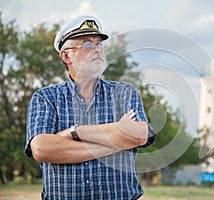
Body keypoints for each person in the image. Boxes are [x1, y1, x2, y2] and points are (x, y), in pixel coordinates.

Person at [25, 15, 156, 200]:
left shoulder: (124, 92)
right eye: (87, 44)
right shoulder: (45, 98)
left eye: (99, 44)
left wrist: (73, 132)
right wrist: (117, 138)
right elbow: (41, 149)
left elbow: (139, 135)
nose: (97, 50)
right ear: (66, 55)